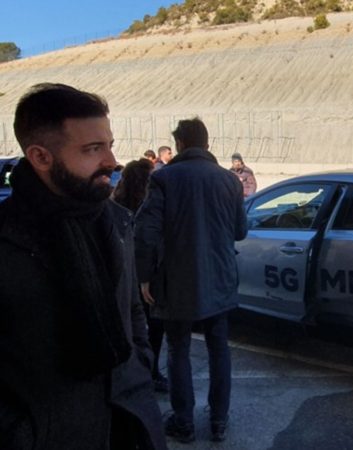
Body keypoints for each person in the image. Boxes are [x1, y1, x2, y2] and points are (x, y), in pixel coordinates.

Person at [0, 83, 167, 449]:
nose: (111, 160)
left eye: (109, 144)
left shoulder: (118, 222)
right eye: (93, 149)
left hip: (129, 426)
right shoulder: (7, 238)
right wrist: (20, 432)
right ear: (41, 157)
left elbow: (133, 315)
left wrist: (139, 367)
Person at [135, 117, 247, 444]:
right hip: (221, 278)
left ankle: (183, 422)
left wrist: (144, 277)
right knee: (219, 349)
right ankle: (219, 421)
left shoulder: (164, 178)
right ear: (207, 143)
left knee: (179, 349)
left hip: (176, 279)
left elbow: (146, 232)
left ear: (180, 144)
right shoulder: (230, 180)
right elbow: (240, 231)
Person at [112, 158, 169, 393]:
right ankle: (151, 370)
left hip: (123, 275)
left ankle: (132, 369)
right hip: (146, 275)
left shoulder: (114, 205)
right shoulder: (151, 205)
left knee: (128, 323)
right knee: (153, 326)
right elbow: (149, 243)